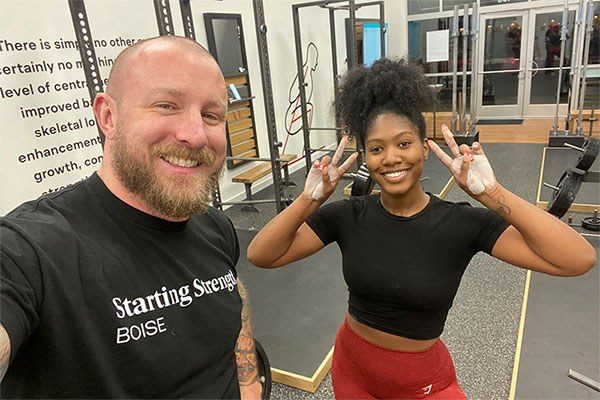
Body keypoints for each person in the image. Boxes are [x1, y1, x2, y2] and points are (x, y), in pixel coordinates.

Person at [247, 58, 597, 399]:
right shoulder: (347, 215)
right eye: (376, 148)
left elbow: (577, 259)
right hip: (352, 368)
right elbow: (261, 255)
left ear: (424, 148)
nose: (391, 158)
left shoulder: (463, 223)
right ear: (366, 158)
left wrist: (493, 194)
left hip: (423, 384)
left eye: (403, 143)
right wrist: (309, 199)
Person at [0, 36, 262, 399]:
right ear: (108, 116)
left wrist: (248, 381)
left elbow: (232, 294)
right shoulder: (29, 249)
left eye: (211, 115)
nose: (195, 134)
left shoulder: (214, 225)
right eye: (167, 105)